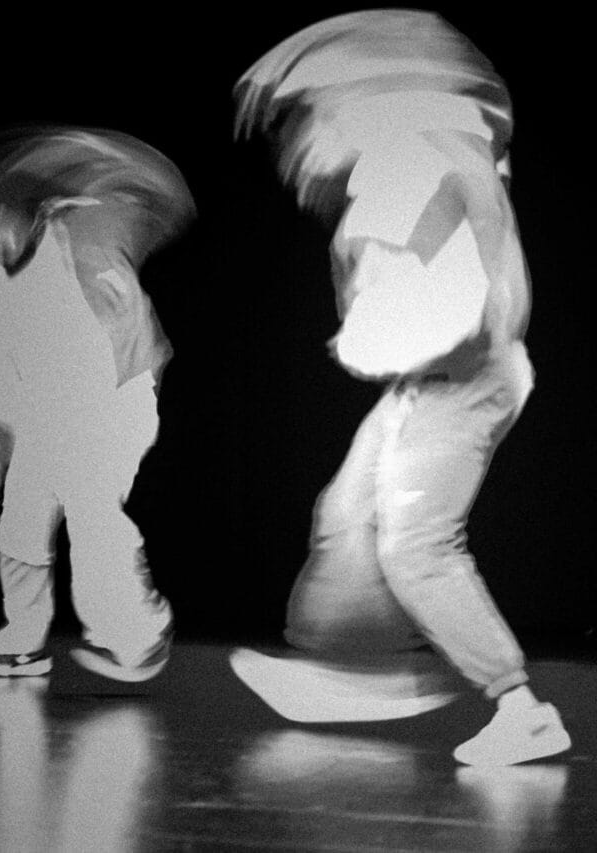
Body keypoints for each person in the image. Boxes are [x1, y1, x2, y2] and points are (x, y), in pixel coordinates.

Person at [228, 10, 571, 766]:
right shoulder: (386, 181)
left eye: (309, 129)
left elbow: (489, 295)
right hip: (434, 380)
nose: (299, 154)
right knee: (347, 511)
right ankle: (362, 673)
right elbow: (375, 295)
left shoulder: (437, 156)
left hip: (467, 381)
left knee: (416, 543)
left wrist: (396, 337)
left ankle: (521, 707)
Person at [0, 128, 194, 682]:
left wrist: (88, 165)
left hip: (113, 403)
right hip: (45, 420)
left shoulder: (86, 237)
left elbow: (161, 201)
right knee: (21, 526)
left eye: (1, 222)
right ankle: (22, 643)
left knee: (91, 509)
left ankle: (139, 634)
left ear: (34, 216)